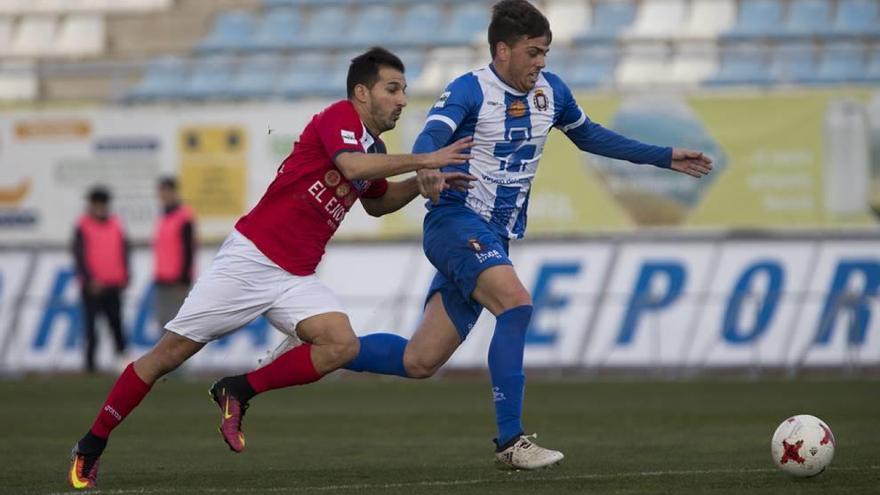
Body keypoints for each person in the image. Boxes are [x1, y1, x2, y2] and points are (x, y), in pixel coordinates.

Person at [67, 46, 475, 490]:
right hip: (251, 260)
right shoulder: (339, 117)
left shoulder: (373, 147)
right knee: (167, 356)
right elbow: (352, 166)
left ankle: (238, 389)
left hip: (295, 276)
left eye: (404, 91)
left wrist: (421, 182)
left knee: (341, 345)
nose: (401, 100)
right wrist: (426, 159)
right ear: (361, 92)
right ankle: (92, 442)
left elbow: (377, 203)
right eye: (392, 89)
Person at [342, 0, 714, 470]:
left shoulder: (551, 93)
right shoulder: (469, 89)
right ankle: (511, 441)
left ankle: (330, 349)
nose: (541, 63)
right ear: (503, 51)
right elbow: (430, 137)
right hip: (455, 223)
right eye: (533, 52)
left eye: (545, 54)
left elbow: (592, 136)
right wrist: (429, 170)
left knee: (420, 360)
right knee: (516, 304)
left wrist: (664, 156)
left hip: (492, 235)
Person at [72, 185, 130, 374]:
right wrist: (90, 280)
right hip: (92, 287)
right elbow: (79, 255)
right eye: (95, 204)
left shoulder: (116, 224)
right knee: (91, 328)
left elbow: (124, 252)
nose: (99, 207)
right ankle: (90, 366)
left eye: (101, 204)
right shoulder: (83, 225)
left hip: (113, 285)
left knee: (117, 326)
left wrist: (125, 276)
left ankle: (123, 364)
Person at [152, 176, 196, 330]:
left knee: (178, 326)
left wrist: (184, 279)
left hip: (178, 281)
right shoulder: (163, 216)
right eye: (162, 192)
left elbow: (188, 249)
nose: (164, 195)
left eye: (167, 191)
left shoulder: (184, 216)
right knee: (163, 323)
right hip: (162, 279)